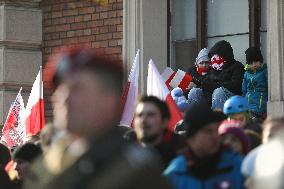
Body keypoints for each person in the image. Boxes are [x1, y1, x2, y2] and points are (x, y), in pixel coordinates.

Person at [24, 47, 172, 189]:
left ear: (110, 98)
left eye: (76, 88)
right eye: (60, 89)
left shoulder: (136, 171)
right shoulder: (47, 162)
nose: (62, 97)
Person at [164, 100, 245, 189]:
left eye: (216, 130)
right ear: (191, 138)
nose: (215, 136)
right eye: (208, 131)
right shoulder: (176, 173)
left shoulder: (236, 165)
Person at [188, 40, 245, 111]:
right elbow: (206, 82)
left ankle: (217, 119)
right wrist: (196, 83)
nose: (214, 59)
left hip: (232, 99)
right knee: (195, 91)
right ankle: (194, 119)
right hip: (212, 98)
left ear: (225, 55)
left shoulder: (237, 67)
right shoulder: (214, 69)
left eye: (217, 55)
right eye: (213, 56)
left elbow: (235, 86)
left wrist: (213, 86)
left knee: (219, 91)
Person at [133, 95, 185, 168]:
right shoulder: (124, 147)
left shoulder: (182, 151)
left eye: (150, 115)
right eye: (139, 115)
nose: (143, 120)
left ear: (164, 122)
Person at [242, 47, 268, 121]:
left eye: (256, 61)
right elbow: (244, 90)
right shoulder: (247, 74)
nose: (254, 65)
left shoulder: (264, 72)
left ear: (260, 61)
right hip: (248, 105)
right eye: (251, 63)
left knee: (253, 121)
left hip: (260, 106)